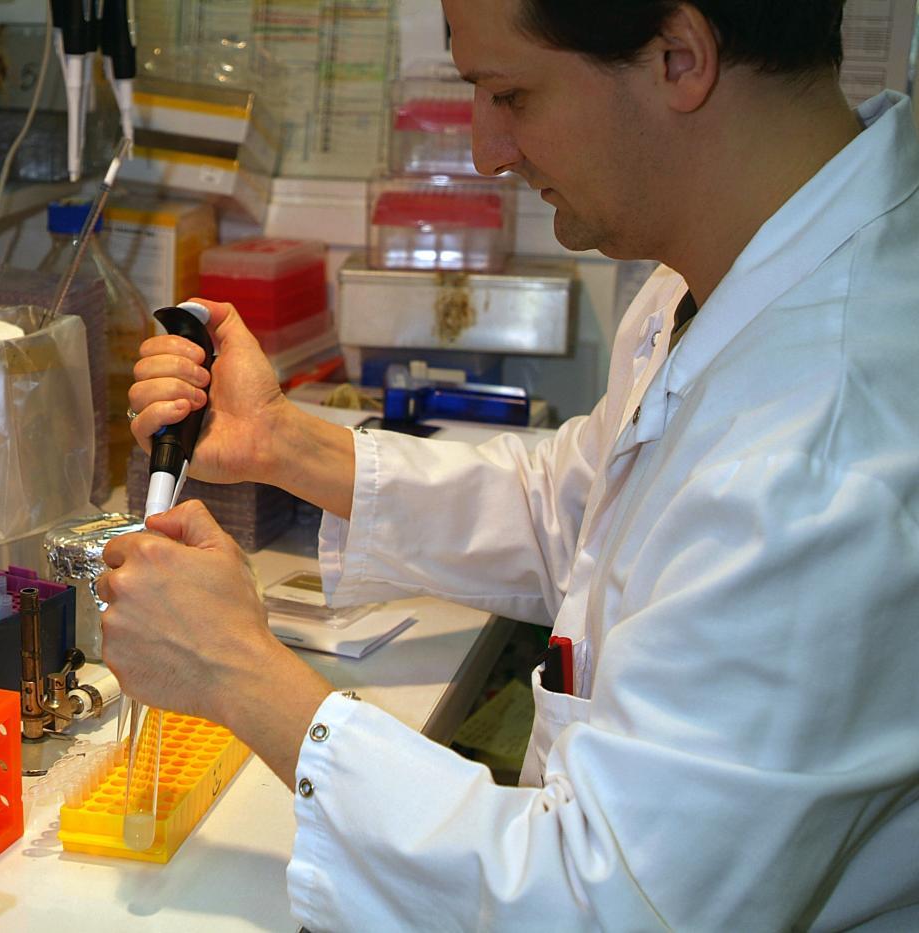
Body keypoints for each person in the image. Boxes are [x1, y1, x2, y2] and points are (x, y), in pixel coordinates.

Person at [96, 0, 919, 928]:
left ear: (679, 58)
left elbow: (602, 904)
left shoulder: (826, 449)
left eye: (510, 94)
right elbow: (575, 507)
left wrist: (239, 670)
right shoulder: (729, 272)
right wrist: (284, 441)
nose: (487, 151)